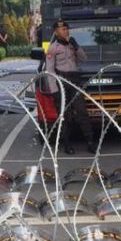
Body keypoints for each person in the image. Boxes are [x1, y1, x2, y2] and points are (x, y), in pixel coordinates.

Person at [43, 19, 93, 153]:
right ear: (56, 32)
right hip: (61, 81)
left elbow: (84, 58)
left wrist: (76, 46)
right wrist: (54, 90)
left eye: (66, 29)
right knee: (64, 115)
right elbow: (50, 70)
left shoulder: (72, 44)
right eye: (62, 29)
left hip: (75, 80)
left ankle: (90, 141)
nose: (66, 31)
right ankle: (67, 144)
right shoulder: (53, 48)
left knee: (82, 111)